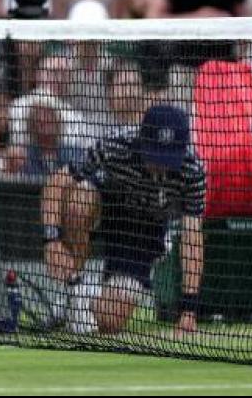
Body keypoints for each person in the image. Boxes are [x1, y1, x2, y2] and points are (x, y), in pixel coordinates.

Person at [42, 98, 205, 336]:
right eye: (155, 156)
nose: (160, 166)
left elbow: (193, 238)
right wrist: (52, 240)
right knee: (79, 198)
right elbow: (57, 182)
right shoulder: (115, 145)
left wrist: (189, 310)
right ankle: (74, 290)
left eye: (167, 159)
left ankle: (86, 302)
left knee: (109, 321)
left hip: (144, 234)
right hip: (107, 206)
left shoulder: (193, 171)